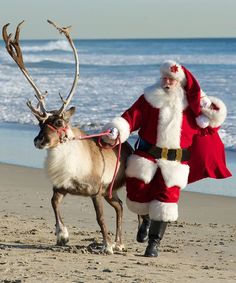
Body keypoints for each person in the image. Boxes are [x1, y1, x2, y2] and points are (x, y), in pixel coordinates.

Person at [103, 60, 231, 257]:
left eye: (171, 79)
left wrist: (209, 112)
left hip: (175, 163)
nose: (167, 82)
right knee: (137, 194)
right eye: (164, 77)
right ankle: (145, 219)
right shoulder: (148, 98)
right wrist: (116, 130)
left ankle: (154, 243)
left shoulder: (192, 106)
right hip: (146, 157)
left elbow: (211, 123)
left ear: (179, 82)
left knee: (166, 201)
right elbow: (130, 117)